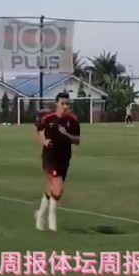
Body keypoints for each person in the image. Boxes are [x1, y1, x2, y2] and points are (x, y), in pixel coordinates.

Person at [34, 93, 81, 232]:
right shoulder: (48, 118)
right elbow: (39, 130)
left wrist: (66, 134)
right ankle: (52, 220)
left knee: (53, 188)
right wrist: (44, 140)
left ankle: (39, 214)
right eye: (63, 103)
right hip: (50, 157)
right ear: (57, 104)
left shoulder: (72, 120)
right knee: (58, 187)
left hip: (64, 158)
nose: (65, 106)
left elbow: (77, 140)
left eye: (67, 104)